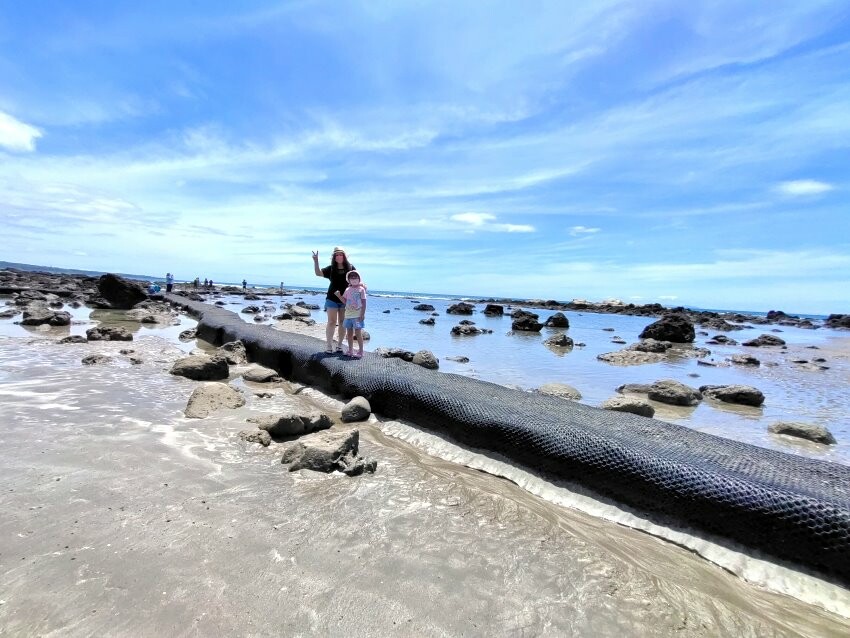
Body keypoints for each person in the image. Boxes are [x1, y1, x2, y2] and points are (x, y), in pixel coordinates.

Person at [313, 246, 355, 353]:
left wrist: (362, 287)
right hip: (332, 298)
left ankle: (340, 345)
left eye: (341, 254)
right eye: (337, 254)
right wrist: (316, 261)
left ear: (344, 256)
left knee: (342, 322)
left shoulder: (350, 268)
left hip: (345, 300)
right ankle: (328, 346)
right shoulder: (331, 268)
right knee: (331, 322)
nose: (339, 256)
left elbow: (356, 281)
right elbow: (318, 273)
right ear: (334, 257)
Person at [334, 270, 367, 358]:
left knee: (358, 333)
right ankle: (350, 350)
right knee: (349, 333)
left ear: (359, 278)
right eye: (351, 278)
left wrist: (362, 314)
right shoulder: (348, 289)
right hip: (348, 315)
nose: (354, 279)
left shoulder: (361, 289)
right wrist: (339, 296)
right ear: (348, 280)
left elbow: (364, 302)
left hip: (357, 315)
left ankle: (360, 351)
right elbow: (345, 301)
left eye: (356, 277)